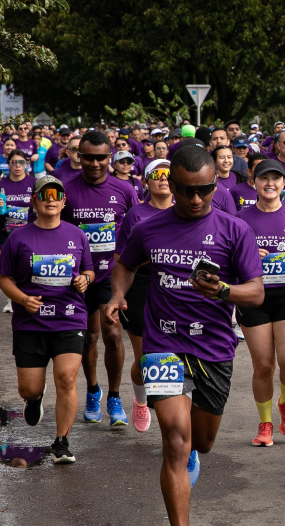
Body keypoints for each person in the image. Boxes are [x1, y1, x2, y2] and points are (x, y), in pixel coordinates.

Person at [105, 145, 264, 526]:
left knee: (202, 442)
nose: (196, 199)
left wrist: (223, 291)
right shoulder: (149, 227)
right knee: (174, 439)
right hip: (163, 342)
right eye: (187, 190)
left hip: (213, 347)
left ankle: (194, 449)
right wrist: (118, 295)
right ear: (170, 186)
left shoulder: (234, 229)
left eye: (205, 190)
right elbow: (124, 265)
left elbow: (256, 292)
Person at [0, 175, 92, 460]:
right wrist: (22, 299)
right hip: (31, 322)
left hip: (69, 318)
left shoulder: (77, 235)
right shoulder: (18, 238)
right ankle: (34, 398)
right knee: (28, 388)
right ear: (34, 201)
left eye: (56, 195)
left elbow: (88, 270)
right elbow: (4, 278)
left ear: (63, 202)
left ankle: (62, 442)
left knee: (67, 378)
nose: (51, 199)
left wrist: (85, 280)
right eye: (44, 195)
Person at [62, 130, 140, 427]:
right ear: (78, 156)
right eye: (88, 158)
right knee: (89, 337)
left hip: (112, 275)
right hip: (78, 277)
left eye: (100, 158)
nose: (95, 164)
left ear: (110, 157)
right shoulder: (67, 189)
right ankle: (93, 391)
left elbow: (138, 229)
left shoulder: (125, 190)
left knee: (113, 334)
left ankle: (115, 397)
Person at [235, 159, 285, 446]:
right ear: (254, 182)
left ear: (283, 183)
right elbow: (229, 258)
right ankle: (265, 423)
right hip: (254, 296)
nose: (270, 184)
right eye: (264, 178)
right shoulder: (241, 218)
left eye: (275, 178)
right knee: (264, 366)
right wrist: (251, 255)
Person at [112, 158, 172, 431]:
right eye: (157, 175)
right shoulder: (136, 215)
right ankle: (140, 400)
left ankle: (172, 416)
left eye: (168, 173)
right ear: (146, 182)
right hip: (140, 285)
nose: (163, 178)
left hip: (173, 285)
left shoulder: (184, 210)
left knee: (172, 354)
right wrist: (119, 293)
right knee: (145, 357)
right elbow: (121, 259)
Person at [0, 150, 36, 305]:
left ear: (26, 165)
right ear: (8, 165)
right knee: (10, 268)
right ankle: (13, 299)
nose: (17, 166)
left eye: (21, 162)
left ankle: (26, 296)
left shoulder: (34, 184)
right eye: (14, 162)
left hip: (30, 233)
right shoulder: (0, 186)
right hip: (6, 234)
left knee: (27, 265)